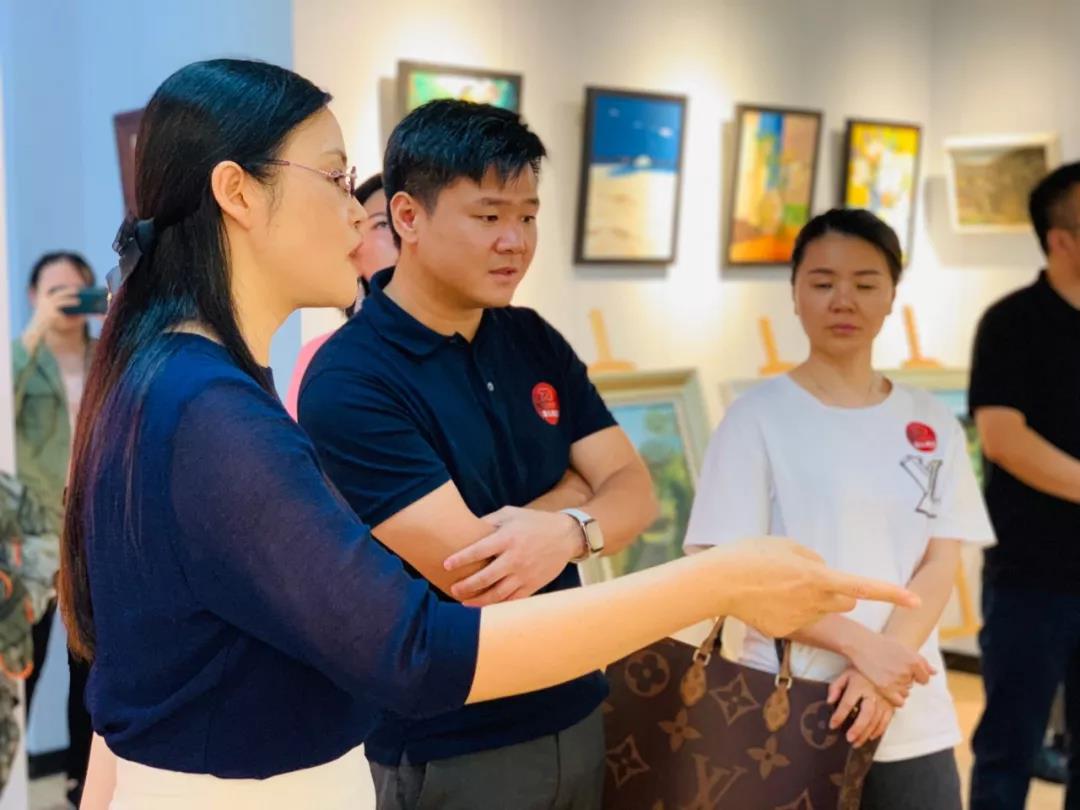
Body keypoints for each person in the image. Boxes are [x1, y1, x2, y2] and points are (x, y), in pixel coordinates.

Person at [60, 59, 917, 810]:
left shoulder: (178, 380)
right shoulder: (212, 406)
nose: (355, 216)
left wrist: (569, 529)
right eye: (334, 178)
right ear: (238, 193)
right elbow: (418, 644)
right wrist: (716, 578)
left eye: (527, 215)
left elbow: (136, 676)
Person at [299, 100, 657, 809]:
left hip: (577, 703)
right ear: (407, 216)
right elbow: (478, 571)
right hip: (451, 735)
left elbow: (636, 490)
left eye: (528, 216)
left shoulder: (531, 337)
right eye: (489, 216)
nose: (515, 241)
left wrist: (564, 531)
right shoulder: (350, 377)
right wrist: (576, 495)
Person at [684, 208, 994, 810]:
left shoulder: (931, 420)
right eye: (823, 283)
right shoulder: (757, 418)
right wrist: (860, 647)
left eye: (866, 283)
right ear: (795, 294)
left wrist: (883, 664)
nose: (843, 300)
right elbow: (729, 575)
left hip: (908, 708)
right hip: (785, 704)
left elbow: (939, 561)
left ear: (892, 295)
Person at [968, 161, 1080, 810]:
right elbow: (1004, 440)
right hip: (1030, 577)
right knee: (1009, 749)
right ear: (1060, 239)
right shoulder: (1011, 323)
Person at [13, 251, 98, 806]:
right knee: (24, 664)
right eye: (54, 291)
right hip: (35, 539)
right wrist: (33, 333)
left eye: (77, 290)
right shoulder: (20, 359)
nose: (67, 301)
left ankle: (80, 783)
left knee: (89, 669)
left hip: (95, 533)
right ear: (33, 297)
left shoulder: (110, 353)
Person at [284, 173, 396, 418]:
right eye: (383, 224)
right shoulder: (324, 360)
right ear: (353, 252)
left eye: (411, 217)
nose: (402, 232)